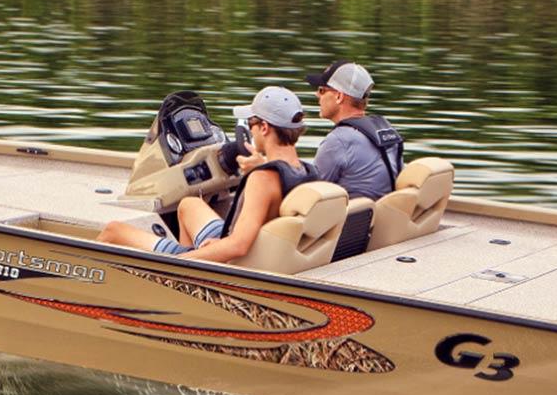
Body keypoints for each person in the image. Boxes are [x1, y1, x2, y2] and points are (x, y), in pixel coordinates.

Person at [98, 87, 316, 263]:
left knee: (112, 230)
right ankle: (182, 289)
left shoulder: (264, 178)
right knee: (188, 204)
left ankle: (183, 276)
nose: (250, 129)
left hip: (229, 262)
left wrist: (184, 261)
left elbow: (238, 246)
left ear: (265, 128)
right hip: (247, 246)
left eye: (251, 123)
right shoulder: (305, 170)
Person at [305, 60, 404, 201]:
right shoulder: (384, 130)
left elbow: (312, 197)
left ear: (339, 96)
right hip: (380, 215)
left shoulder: (338, 141)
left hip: (354, 220)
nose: (317, 95)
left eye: (322, 90)